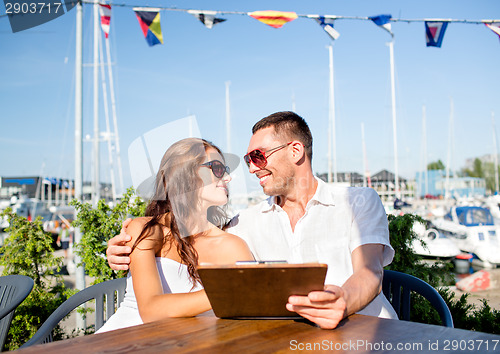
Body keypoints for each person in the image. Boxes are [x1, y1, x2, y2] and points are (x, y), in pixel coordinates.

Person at [107, 112, 397, 329]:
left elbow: (370, 272)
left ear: (295, 151)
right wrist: (124, 248)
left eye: (258, 156)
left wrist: (342, 300)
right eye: (247, 160)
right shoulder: (242, 224)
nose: (250, 169)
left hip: (367, 333)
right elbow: (190, 238)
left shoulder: (357, 201)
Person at [97, 138, 253, 333]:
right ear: (185, 174)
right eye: (217, 168)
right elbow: (151, 311)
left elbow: (249, 310)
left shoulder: (232, 245)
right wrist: (226, 291)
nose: (227, 178)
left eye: (225, 170)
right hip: (121, 338)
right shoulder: (146, 229)